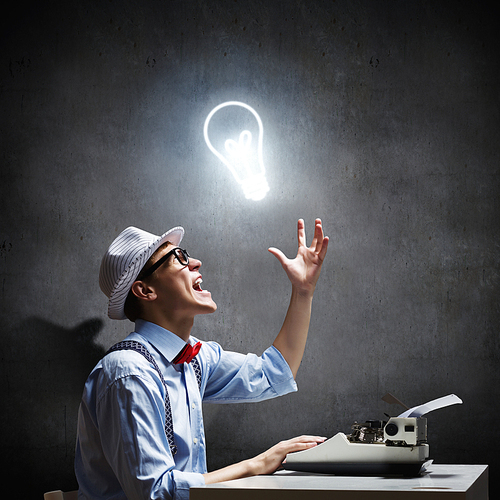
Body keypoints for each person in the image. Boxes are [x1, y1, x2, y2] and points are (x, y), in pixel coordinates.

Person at [75, 218, 329, 499]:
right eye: (179, 258)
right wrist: (257, 465)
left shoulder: (196, 357)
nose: (195, 262)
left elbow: (273, 374)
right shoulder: (128, 372)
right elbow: (156, 494)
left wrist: (303, 291)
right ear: (145, 290)